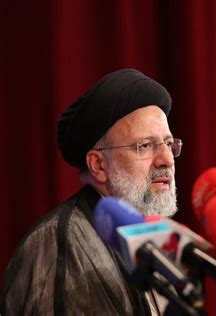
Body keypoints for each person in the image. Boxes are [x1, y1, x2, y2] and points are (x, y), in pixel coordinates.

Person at [1, 69, 182, 315]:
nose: (166, 160)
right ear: (98, 165)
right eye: (145, 146)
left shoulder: (147, 241)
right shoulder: (61, 243)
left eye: (169, 144)